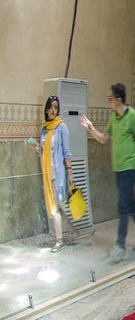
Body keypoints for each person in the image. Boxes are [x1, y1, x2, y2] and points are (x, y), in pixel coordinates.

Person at [81, 83, 135, 261]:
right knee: (130, 205)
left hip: (130, 167)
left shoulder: (132, 115)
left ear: (118, 99)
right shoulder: (114, 117)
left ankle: (120, 244)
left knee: (122, 204)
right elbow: (103, 138)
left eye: (110, 98)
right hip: (118, 168)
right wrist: (91, 128)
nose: (108, 101)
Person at [35, 96, 74, 252]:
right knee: (56, 205)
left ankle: (59, 240)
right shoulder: (44, 129)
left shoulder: (61, 127)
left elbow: (66, 152)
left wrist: (70, 172)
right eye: (51, 107)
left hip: (57, 173)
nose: (53, 110)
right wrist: (36, 149)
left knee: (55, 207)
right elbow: (44, 151)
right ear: (46, 109)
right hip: (47, 173)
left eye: (56, 107)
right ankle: (72, 227)